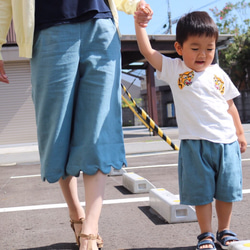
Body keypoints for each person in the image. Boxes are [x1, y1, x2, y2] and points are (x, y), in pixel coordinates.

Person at [0, 1, 153, 250]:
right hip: (48, 31)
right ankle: (76, 214)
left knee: (98, 131)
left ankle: (90, 227)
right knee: (58, 130)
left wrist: (135, 4)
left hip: (101, 27)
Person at [134, 9, 247, 250]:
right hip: (195, 145)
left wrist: (240, 133)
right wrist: (140, 25)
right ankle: (205, 234)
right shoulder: (175, 70)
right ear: (179, 48)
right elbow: (148, 52)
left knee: (226, 192)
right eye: (195, 48)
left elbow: (230, 106)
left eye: (209, 48)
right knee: (201, 194)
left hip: (226, 143)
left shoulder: (218, 73)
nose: (203, 54)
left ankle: (224, 230)